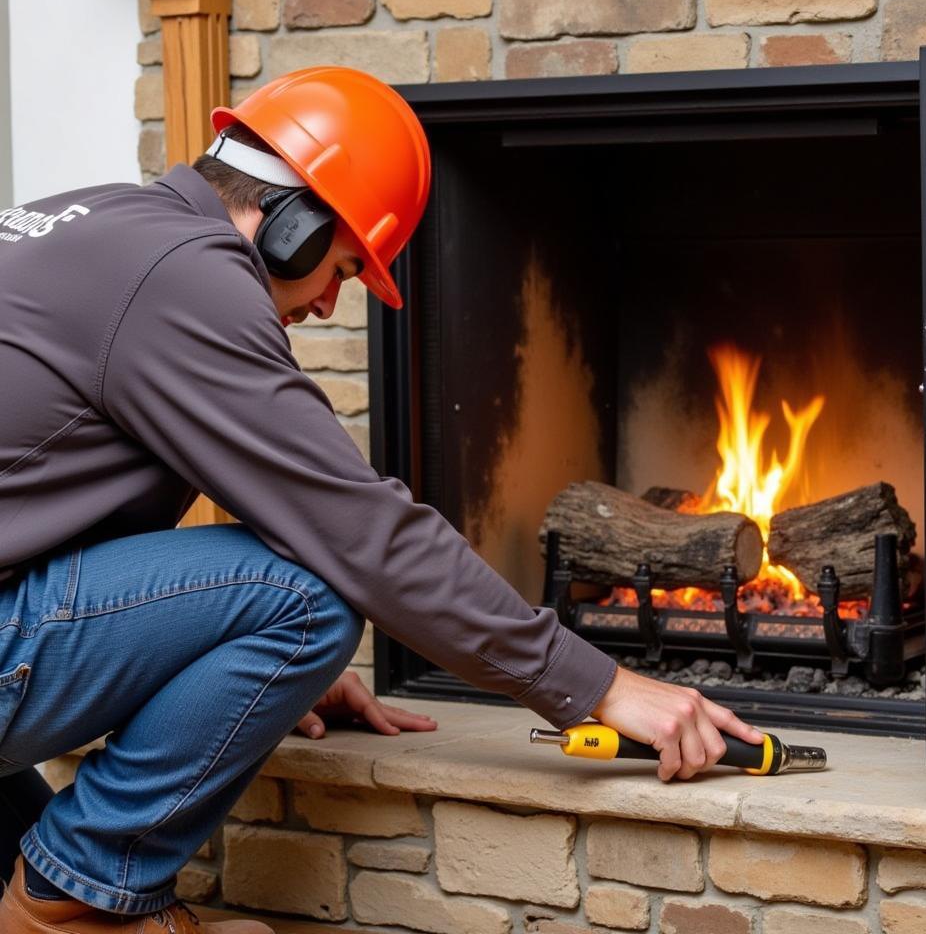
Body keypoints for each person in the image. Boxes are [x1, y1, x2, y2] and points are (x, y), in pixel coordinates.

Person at [0, 66, 762, 934]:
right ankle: (76, 909)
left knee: (40, 835)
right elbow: (363, 531)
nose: (328, 300)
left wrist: (219, 661)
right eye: (343, 265)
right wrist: (602, 686)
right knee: (312, 594)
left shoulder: (99, 221)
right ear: (292, 225)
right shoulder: (181, 278)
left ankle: (52, 894)